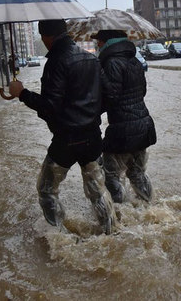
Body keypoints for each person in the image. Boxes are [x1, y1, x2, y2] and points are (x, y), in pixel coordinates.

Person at [8, 19, 117, 235]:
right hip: (92, 137)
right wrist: (90, 115)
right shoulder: (91, 59)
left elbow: (49, 107)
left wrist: (21, 93)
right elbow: (111, 95)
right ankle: (111, 231)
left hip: (66, 141)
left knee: (46, 189)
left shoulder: (56, 62)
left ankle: (59, 238)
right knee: (97, 189)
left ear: (46, 37)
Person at [93, 30, 156, 204]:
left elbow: (111, 97)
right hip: (143, 125)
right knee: (137, 173)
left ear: (108, 42)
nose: (97, 45)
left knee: (110, 173)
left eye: (99, 42)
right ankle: (148, 208)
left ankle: (118, 216)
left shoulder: (111, 63)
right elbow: (142, 91)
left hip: (123, 129)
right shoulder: (134, 61)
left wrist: (101, 75)